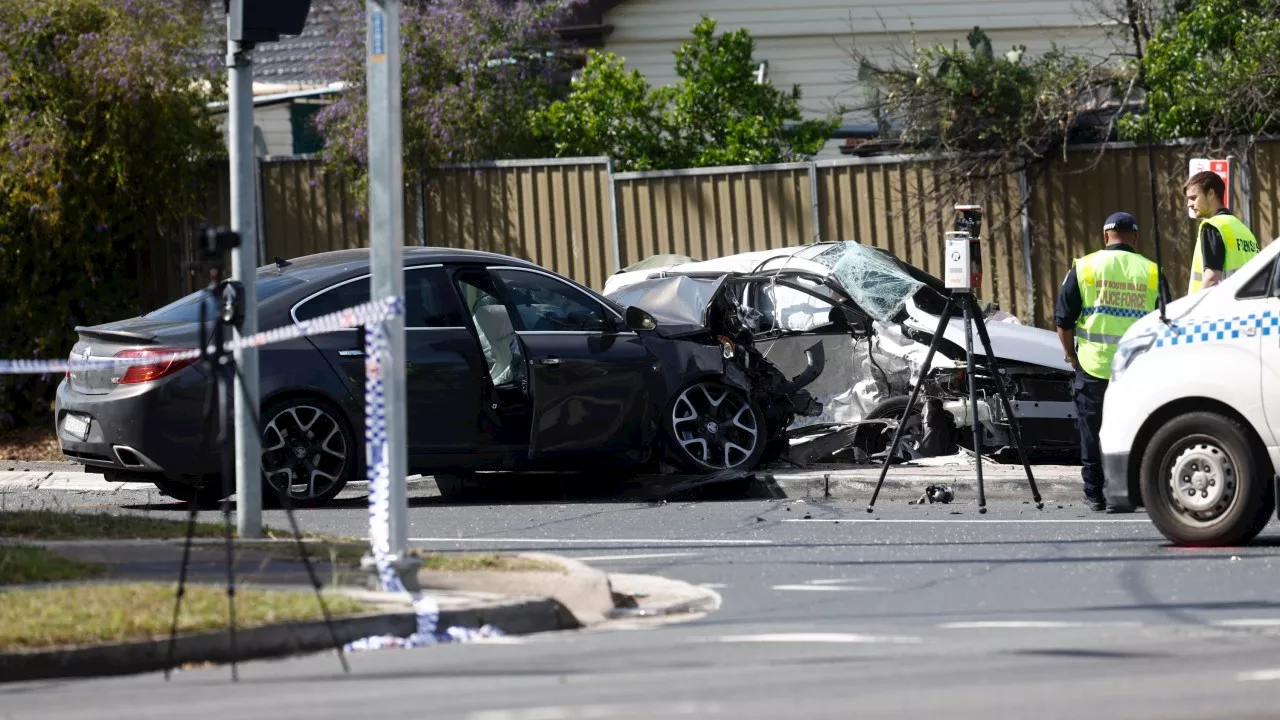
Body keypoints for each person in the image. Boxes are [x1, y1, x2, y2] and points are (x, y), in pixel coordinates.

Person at [1055, 212, 1168, 512]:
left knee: (1092, 432)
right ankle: (1135, 492)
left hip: (1094, 364)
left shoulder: (1085, 267)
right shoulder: (1152, 272)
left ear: (1106, 236)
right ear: (1135, 237)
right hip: (1138, 368)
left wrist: (1071, 356)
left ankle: (1095, 495)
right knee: (1138, 429)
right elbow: (1166, 322)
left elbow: (1063, 321)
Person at [1184, 170, 1260, 294]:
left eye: (1193, 198)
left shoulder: (1212, 226)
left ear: (1211, 193)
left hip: (1220, 308)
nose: (1189, 204)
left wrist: (1192, 309)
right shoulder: (1244, 229)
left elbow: (1212, 278)